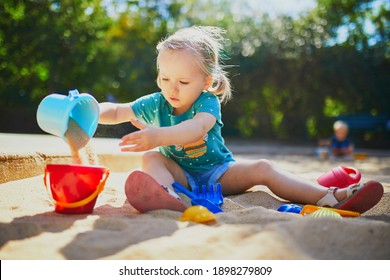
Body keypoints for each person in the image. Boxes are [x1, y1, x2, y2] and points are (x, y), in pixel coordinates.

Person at [98, 26, 383, 214]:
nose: (172, 88)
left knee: (263, 168)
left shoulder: (207, 102)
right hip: (181, 175)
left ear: (206, 81)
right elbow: (118, 111)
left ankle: (329, 196)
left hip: (220, 174)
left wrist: (158, 136)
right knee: (151, 158)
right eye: (165, 78)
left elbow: (194, 129)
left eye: (183, 81)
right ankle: (168, 196)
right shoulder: (156, 102)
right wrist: (88, 111)